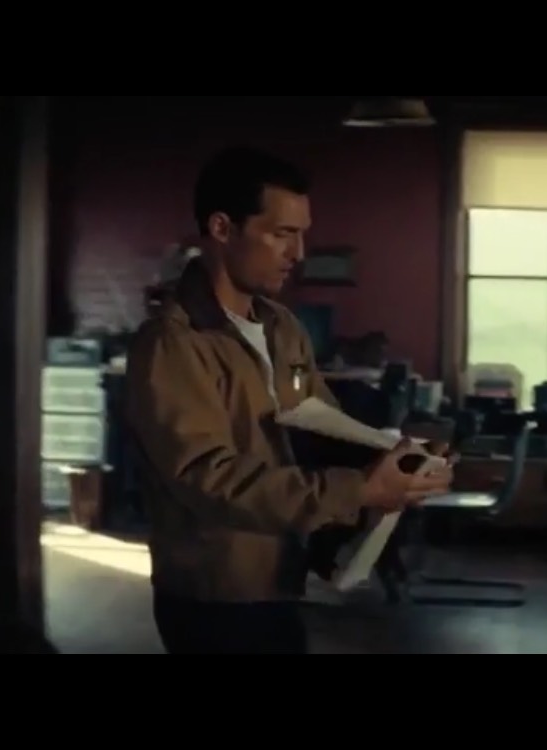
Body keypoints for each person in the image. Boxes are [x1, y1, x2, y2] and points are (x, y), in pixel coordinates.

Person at [124, 146, 454, 654]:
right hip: (217, 594)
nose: (298, 253)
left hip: (282, 579)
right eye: (282, 233)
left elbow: (317, 431)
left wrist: (400, 463)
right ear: (222, 228)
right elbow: (208, 478)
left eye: (301, 234)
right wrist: (358, 490)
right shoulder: (172, 342)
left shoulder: (282, 328)